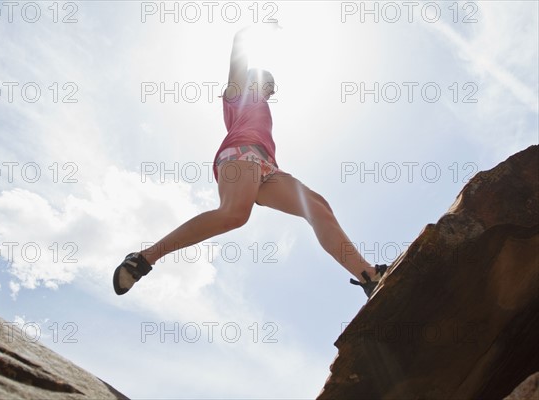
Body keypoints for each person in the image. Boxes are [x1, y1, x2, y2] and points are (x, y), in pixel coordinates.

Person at [113, 23, 388, 299]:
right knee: (234, 214)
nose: (270, 91)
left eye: (272, 89)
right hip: (239, 154)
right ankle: (144, 259)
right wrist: (248, 34)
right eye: (267, 84)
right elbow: (237, 59)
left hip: (266, 167)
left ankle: (369, 276)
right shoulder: (236, 94)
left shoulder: (262, 105)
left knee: (318, 207)